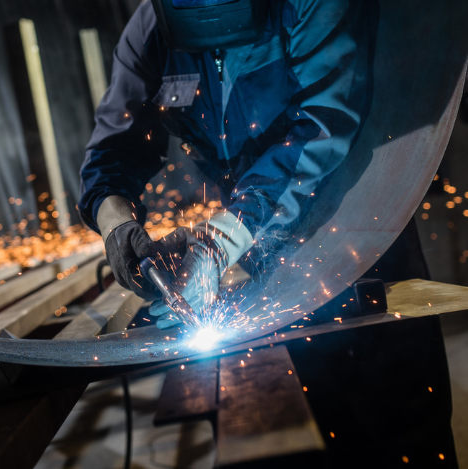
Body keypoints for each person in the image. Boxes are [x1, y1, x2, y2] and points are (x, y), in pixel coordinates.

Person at [79, 0, 456, 467]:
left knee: (403, 428)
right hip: (271, 256)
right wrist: (116, 221)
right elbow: (113, 145)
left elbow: (323, 124)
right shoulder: (152, 29)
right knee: (330, 418)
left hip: (364, 234)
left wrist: (217, 244)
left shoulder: (308, 5)